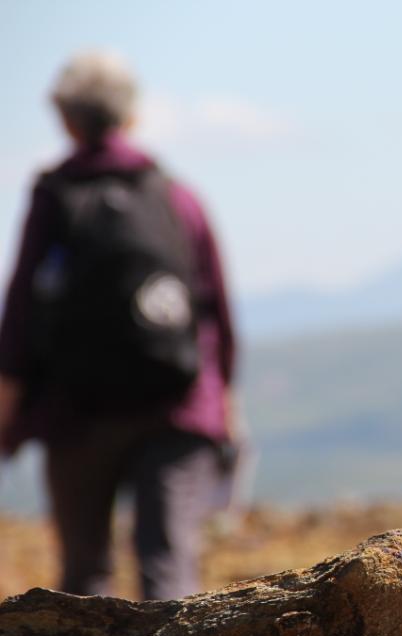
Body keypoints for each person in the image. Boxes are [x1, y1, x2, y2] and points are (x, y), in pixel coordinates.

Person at [0, 51, 238, 600]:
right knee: (170, 567)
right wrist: (221, 401)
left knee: (85, 575)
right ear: (132, 115)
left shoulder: (54, 198)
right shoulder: (176, 196)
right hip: (179, 403)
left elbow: (20, 305)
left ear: (66, 118)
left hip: (75, 410)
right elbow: (216, 310)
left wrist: (10, 406)